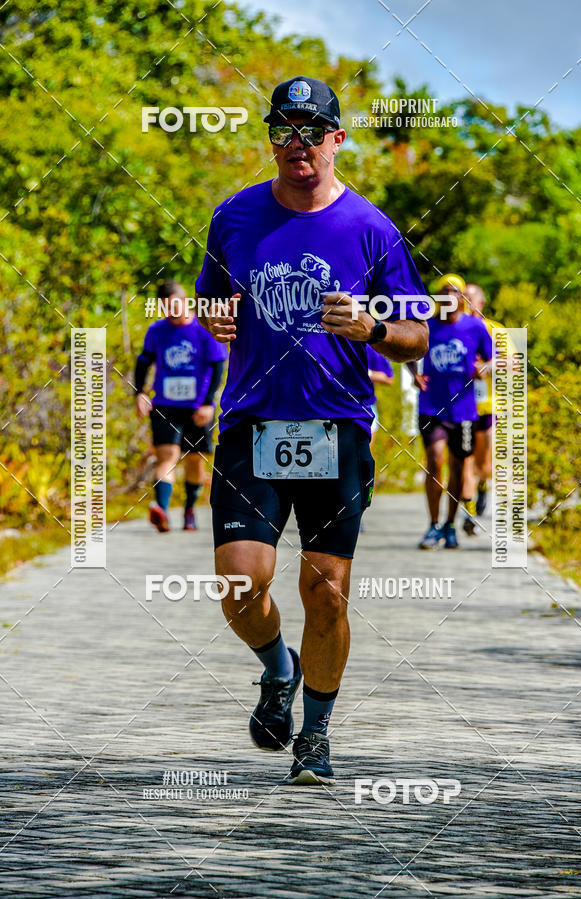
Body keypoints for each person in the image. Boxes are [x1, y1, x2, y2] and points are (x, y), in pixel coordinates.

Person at [195, 76, 428, 784]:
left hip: (338, 427)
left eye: (310, 130)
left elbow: (417, 335)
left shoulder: (372, 228)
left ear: (337, 138)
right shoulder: (234, 218)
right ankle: (278, 670)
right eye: (282, 130)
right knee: (241, 583)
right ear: (270, 139)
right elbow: (210, 299)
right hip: (252, 422)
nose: (296, 144)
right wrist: (214, 319)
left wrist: (373, 326)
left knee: (325, 592)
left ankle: (317, 734)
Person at [135, 280, 227, 532]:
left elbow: (218, 366)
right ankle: (162, 510)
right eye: (167, 310)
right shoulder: (157, 330)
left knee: (195, 460)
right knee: (168, 456)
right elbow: (144, 361)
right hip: (165, 405)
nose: (172, 315)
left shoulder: (203, 329)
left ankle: (189, 509)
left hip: (197, 407)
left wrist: (208, 403)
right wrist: (140, 392)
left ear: (185, 302)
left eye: (175, 308)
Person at [408, 274, 492, 550]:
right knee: (435, 459)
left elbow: (490, 361)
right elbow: (406, 348)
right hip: (431, 405)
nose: (450, 296)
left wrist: (482, 371)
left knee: (458, 466)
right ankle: (433, 525)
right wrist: (414, 374)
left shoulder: (475, 327)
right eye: (444, 291)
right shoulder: (427, 326)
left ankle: (450, 524)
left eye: (455, 292)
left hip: (464, 409)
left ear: (463, 298)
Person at [461, 282, 510, 530]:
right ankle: (468, 515)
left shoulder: (494, 328)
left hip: (489, 405)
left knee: (483, 462)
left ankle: (482, 484)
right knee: (464, 460)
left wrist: (487, 367)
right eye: (461, 297)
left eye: (468, 298)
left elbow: (513, 363)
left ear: (480, 303)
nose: (463, 302)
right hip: (460, 406)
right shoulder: (454, 327)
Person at [367, 345, 395, 449]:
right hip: (331, 407)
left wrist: (366, 372)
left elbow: (388, 378)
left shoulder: (370, 347)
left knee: (363, 457)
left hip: (366, 407)